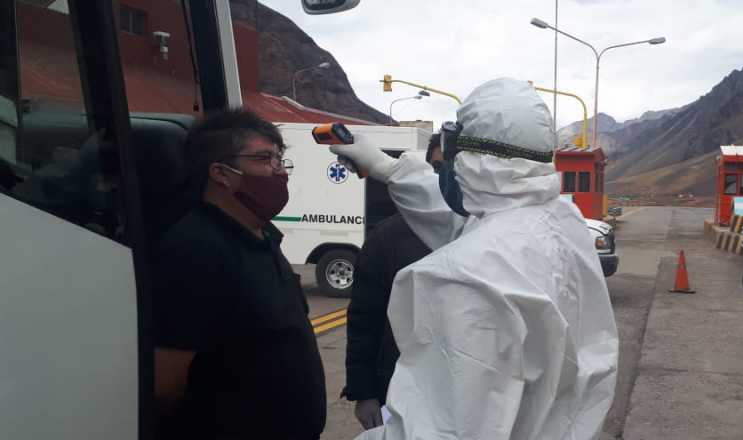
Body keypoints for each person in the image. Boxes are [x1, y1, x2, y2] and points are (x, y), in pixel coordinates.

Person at [331, 78, 619, 440]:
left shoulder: (463, 277)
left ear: (468, 159)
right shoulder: (563, 224)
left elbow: (443, 430)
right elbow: (470, 224)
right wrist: (391, 170)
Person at [152, 109, 326, 440]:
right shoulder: (196, 249)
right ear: (220, 173)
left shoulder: (264, 237)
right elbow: (165, 381)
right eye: (263, 159)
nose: (278, 172)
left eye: (279, 159)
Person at [342, 135, 442, 429]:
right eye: (437, 166)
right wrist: (364, 392)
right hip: (396, 387)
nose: (445, 175)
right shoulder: (388, 237)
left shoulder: (488, 234)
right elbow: (364, 318)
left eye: (454, 166)